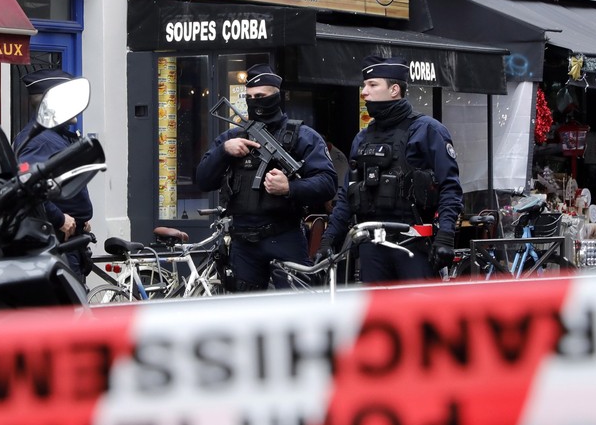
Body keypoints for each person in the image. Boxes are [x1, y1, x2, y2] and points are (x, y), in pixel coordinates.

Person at [317, 55, 463, 283]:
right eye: (365, 85)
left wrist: (445, 237)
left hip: (413, 244)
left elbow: (450, 188)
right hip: (372, 247)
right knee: (377, 316)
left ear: (394, 89)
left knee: (417, 315)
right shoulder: (362, 138)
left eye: (372, 85)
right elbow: (346, 195)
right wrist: (329, 239)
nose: (364, 91)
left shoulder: (427, 130)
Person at [195, 64, 337, 292]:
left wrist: (290, 187)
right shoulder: (232, 137)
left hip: (284, 235)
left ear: (276, 97)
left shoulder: (303, 136)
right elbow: (203, 180)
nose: (254, 102)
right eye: (249, 97)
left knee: (296, 311)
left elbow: (328, 184)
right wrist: (223, 152)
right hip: (243, 242)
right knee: (246, 315)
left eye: (260, 96)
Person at [14, 68, 94, 279]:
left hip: (70, 239)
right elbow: (26, 185)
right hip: (57, 240)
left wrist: (79, 218)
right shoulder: (39, 140)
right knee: (70, 310)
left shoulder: (57, 136)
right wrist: (59, 219)